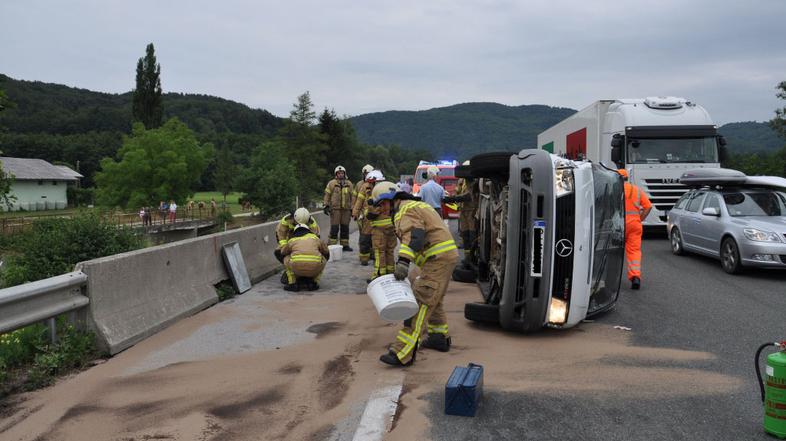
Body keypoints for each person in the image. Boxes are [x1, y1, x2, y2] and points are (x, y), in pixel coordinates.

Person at [369, 181, 459, 367]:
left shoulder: (405, 210)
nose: (382, 209)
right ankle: (438, 337)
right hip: (443, 257)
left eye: (383, 204)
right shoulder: (413, 205)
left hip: (436, 259)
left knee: (421, 301)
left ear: (392, 199)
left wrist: (403, 262)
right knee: (434, 299)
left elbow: (414, 236)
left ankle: (402, 352)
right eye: (379, 206)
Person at [618, 169, 652, 290]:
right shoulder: (636, 190)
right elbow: (648, 206)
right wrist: (640, 219)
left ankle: (612, 279)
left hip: (619, 226)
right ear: (627, 178)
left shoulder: (615, 190)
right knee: (634, 251)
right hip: (634, 225)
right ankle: (635, 277)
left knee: (615, 251)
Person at [445, 161, 479, 266]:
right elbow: (458, 191)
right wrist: (452, 197)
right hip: (463, 210)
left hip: (472, 211)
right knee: (465, 235)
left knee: (472, 235)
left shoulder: (475, 181)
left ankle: (474, 258)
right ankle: (467, 257)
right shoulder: (462, 181)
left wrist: (454, 198)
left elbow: (468, 195)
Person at [365, 171, 397, 281]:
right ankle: (390, 272)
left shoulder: (377, 195)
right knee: (390, 251)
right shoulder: (390, 191)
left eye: (372, 182)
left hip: (379, 229)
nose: (370, 185)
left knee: (379, 252)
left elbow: (372, 212)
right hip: (391, 226)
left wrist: (369, 209)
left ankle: (379, 274)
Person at [280, 223, 330, 292]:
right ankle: (314, 283)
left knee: (286, 258)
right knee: (323, 259)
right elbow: (326, 251)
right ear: (308, 230)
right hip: (314, 268)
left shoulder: (292, 240)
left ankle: (292, 284)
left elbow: (283, 252)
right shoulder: (315, 238)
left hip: (296, 268)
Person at [323, 165, 354, 251]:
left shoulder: (349, 184)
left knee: (345, 227)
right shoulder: (331, 183)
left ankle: (345, 245)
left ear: (344, 174)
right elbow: (327, 195)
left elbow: (353, 197)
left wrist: (353, 208)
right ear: (336, 174)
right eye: (339, 173)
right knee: (334, 228)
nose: (341, 174)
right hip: (335, 210)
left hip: (346, 210)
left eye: (342, 173)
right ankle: (332, 246)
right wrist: (326, 205)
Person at [352, 167, 378, 266]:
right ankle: (364, 258)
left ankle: (375, 256)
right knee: (365, 237)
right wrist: (355, 212)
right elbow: (359, 201)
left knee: (377, 238)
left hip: (378, 217)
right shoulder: (363, 186)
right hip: (366, 217)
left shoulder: (380, 186)